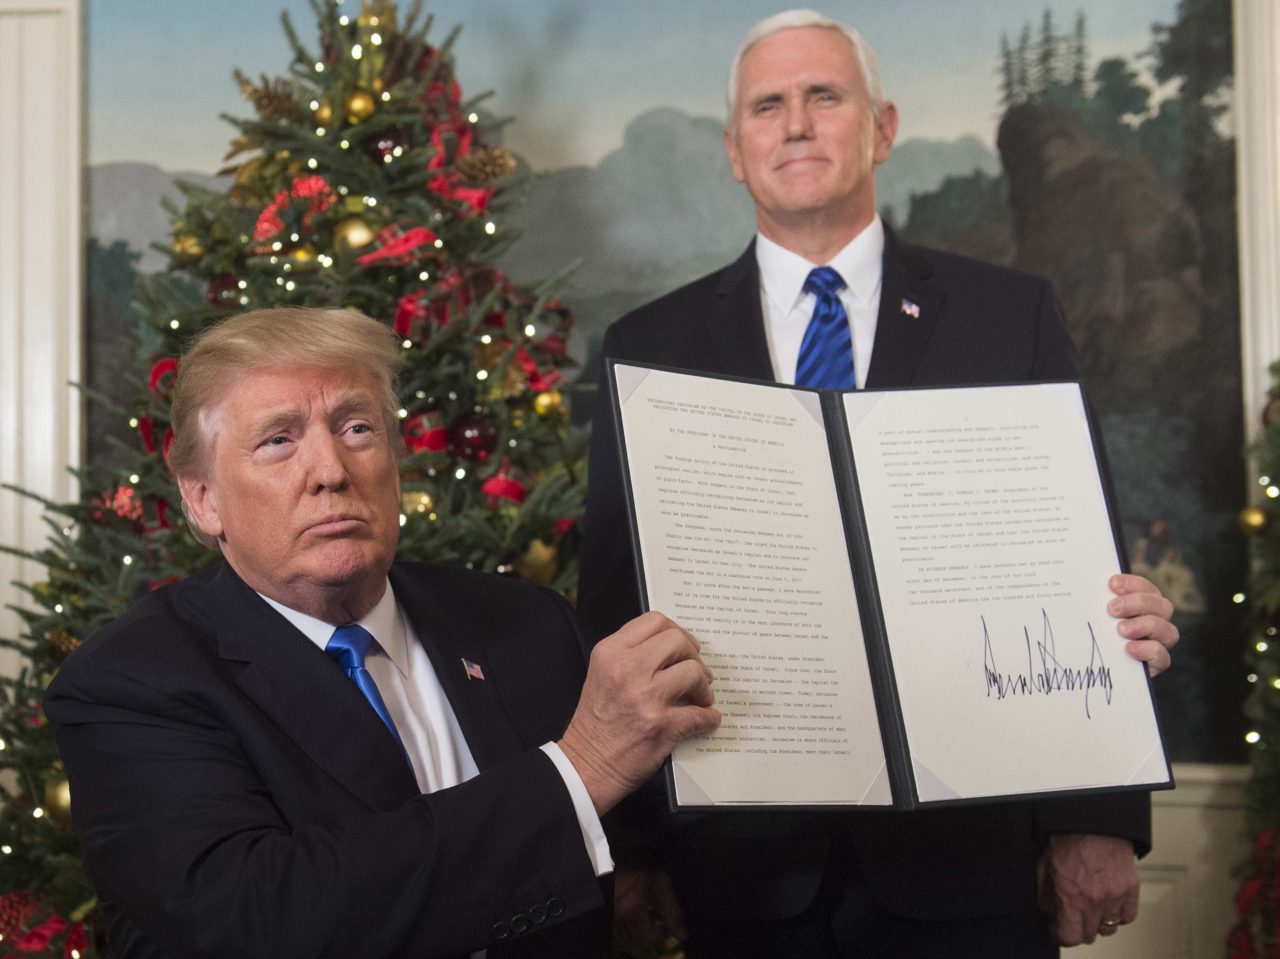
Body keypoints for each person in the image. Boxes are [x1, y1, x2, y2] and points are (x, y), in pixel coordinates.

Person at [579, 10, 1180, 959]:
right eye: (768, 106)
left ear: (883, 127)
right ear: (735, 151)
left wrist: (1098, 819)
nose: (796, 123)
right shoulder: (651, 346)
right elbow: (615, 613)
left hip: (974, 865)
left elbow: (1085, 577)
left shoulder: (1009, 318)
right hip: (740, 875)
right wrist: (630, 850)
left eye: (825, 95)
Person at [45, 307, 721, 959]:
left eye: (357, 428)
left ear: (397, 462)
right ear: (203, 498)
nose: (331, 471)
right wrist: (580, 771)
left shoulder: (532, 624)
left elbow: (642, 835)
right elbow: (260, 916)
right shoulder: (131, 680)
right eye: (278, 440)